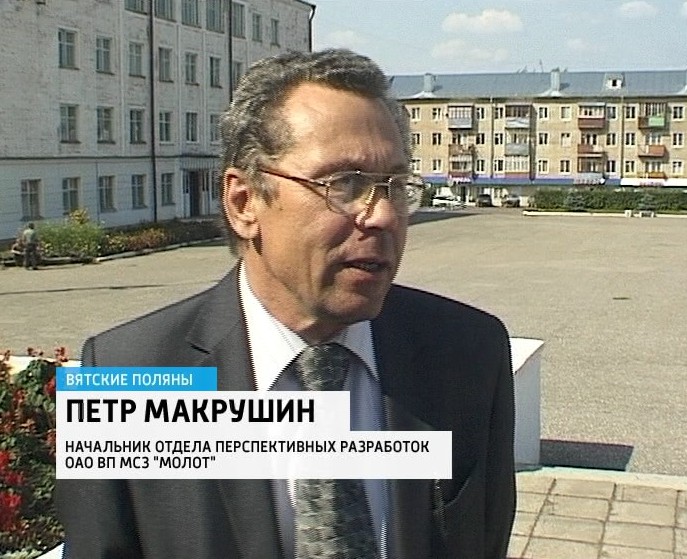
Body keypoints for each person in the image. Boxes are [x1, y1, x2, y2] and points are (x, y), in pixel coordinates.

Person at [57, 49, 515, 558]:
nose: (384, 215)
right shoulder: (130, 374)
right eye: (345, 184)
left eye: (396, 185)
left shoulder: (469, 353)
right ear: (244, 203)